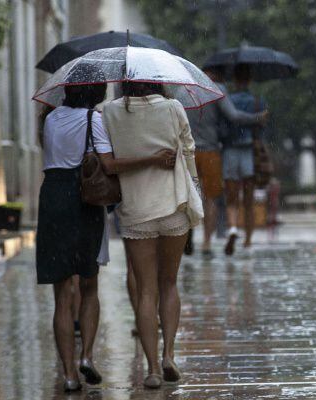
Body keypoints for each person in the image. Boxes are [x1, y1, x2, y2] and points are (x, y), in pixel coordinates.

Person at [37, 79, 175, 392]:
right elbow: (109, 165)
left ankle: (69, 374)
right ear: (96, 92)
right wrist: (152, 158)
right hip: (85, 201)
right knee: (89, 285)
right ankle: (86, 355)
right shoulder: (93, 119)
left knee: (61, 294)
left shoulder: (50, 119)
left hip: (52, 200)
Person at [102, 82, 202, 389]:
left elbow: (108, 158)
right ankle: (169, 354)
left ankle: (152, 368)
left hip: (136, 208)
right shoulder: (172, 108)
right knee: (168, 283)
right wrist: (195, 187)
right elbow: (189, 150)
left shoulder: (109, 113)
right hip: (173, 203)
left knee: (146, 290)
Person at [187, 66, 267, 256]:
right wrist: (257, 118)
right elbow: (233, 116)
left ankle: (187, 238)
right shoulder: (216, 89)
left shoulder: (186, 89)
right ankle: (207, 242)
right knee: (211, 199)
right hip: (210, 151)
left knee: (188, 197)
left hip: (188, 151)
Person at [222, 64, 269, 255]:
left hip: (230, 150)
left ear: (234, 80)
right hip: (250, 152)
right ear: (249, 80)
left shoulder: (228, 101)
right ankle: (248, 239)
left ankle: (233, 228)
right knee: (249, 200)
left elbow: (223, 125)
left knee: (231, 198)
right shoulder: (258, 102)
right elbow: (263, 127)